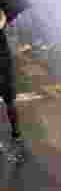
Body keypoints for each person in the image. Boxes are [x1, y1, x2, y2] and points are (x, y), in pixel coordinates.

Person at [0, 9, 20, 142]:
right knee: (10, 100)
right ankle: (16, 131)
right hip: (5, 62)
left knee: (10, 100)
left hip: (4, 62)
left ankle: (16, 130)